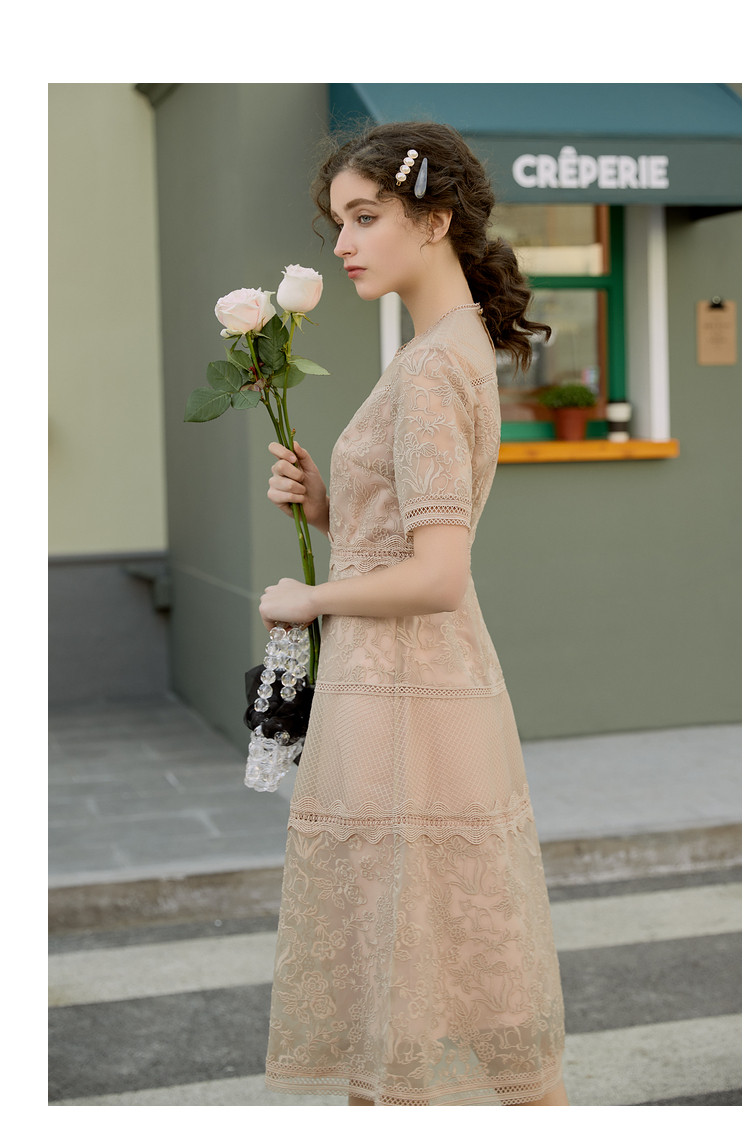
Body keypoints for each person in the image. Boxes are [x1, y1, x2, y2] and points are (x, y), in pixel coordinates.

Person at [258, 121, 568, 1107]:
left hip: (402, 688)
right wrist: (328, 507)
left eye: (365, 217)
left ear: (434, 221)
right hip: (421, 681)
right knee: (434, 971)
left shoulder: (433, 367)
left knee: (411, 975)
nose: (343, 244)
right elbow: (410, 540)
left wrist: (309, 595)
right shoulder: (449, 348)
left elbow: (437, 572)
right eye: (337, 224)